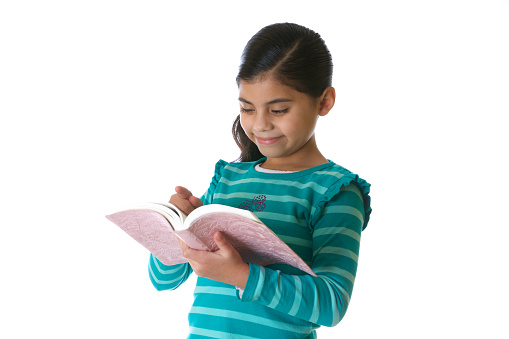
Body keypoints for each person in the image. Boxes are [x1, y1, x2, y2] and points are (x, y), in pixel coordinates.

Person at [148, 22, 372, 338]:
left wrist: (242, 275)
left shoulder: (333, 191)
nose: (261, 124)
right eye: (247, 108)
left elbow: (332, 304)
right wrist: (175, 229)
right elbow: (163, 280)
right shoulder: (227, 180)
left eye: (279, 110)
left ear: (324, 101)